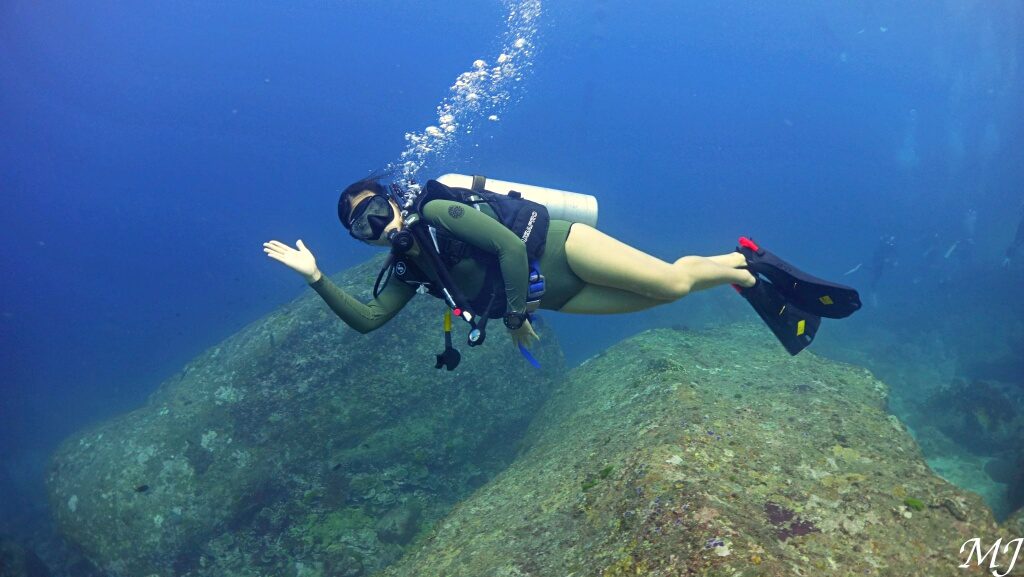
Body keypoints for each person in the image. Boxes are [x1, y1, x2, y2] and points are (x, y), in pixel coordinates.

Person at [264, 176, 860, 360]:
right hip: (557, 297)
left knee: (672, 281)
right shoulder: (408, 269)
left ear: (393, 197)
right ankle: (743, 277)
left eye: (376, 211)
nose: (379, 227)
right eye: (362, 228)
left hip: (563, 250)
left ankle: (746, 261)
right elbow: (369, 319)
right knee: (666, 298)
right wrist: (316, 278)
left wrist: (518, 318)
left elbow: (512, 250)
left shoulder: (440, 211)